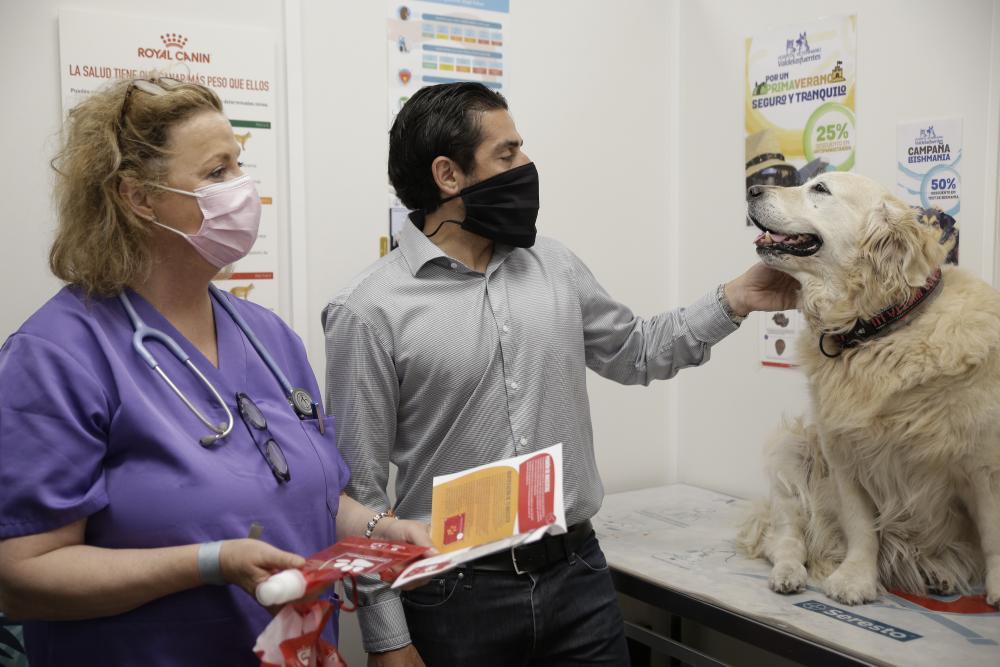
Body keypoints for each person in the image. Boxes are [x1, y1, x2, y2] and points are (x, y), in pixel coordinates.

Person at [323, 82, 799, 666]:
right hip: (454, 594)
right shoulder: (367, 309)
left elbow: (637, 352)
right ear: (448, 176)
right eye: (507, 153)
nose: (526, 166)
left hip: (578, 577)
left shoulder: (554, 265)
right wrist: (388, 640)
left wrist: (737, 298)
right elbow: (360, 496)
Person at [0, 76, 430, 666]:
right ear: (138, 196)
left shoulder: (269, 336)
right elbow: (24, 578)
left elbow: (313, 497)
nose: (243, 188)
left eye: (240, 165)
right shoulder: (57, 356)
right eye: (217, 172)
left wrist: (380, 529)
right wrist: (209, 563)